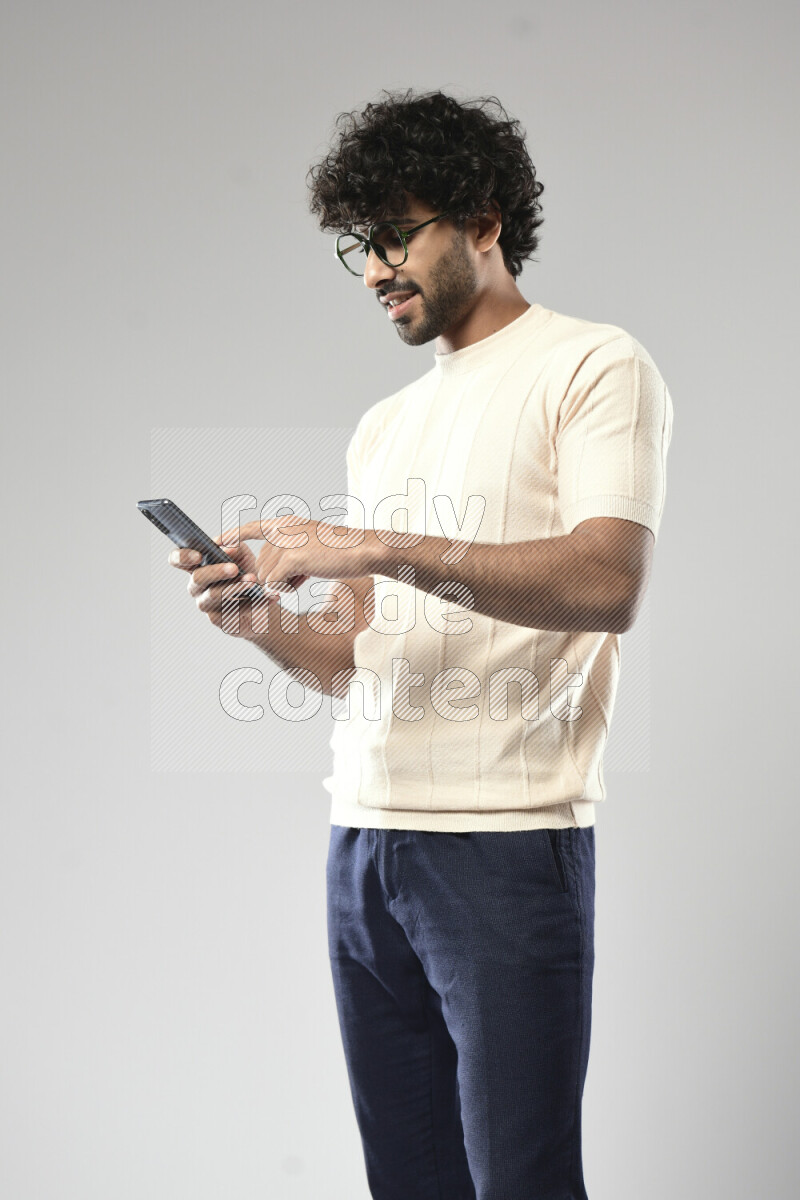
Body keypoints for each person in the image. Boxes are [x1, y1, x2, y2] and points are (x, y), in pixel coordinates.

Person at [169, 89, 673, 1200]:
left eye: (393, 235)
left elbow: (605, 580)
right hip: (364, 844)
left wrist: (375, 545)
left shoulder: (592, 366)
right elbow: (354, 659)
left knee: (519, 1182)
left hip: (500, 849)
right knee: (409, 1184)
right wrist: (260, 623)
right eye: (357, 244)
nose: (370, 269)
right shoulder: (385, 422)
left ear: (482, 221)